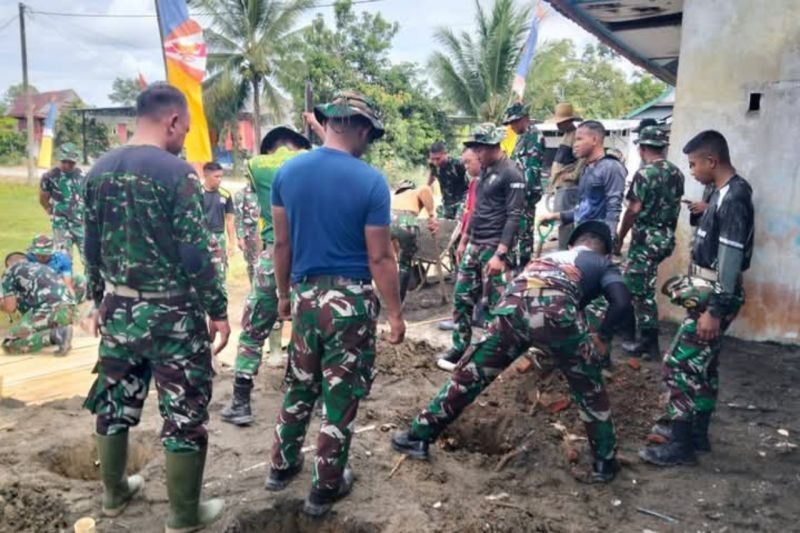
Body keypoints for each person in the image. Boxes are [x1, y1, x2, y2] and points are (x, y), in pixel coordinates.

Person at [82, 84, 230, 531]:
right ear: (171, 121)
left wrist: (97, 301)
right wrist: (218, 309)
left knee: (114, 402)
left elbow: (90, 249)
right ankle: (183, 515)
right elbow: (194, 254)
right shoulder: (177, 173)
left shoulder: (97, 171)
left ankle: (113, 494)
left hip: (119, 310)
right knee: (183, 412)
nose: (184, 136)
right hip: (173, 317)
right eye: (184, 127)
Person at [392, 221, 633, 483]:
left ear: (573, 244)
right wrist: (603, 338)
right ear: (605, 252)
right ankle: (605, 463)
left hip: (512, 306)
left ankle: (417, 437)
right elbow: (621, 302)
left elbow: (528, 299)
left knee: (471, 374)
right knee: (589, 388)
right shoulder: (603, 264)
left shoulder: (551, 257)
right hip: (557, 311)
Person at [265, 91, 405, 517]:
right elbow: (380, 257)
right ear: (361, 129)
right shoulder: (370, 181)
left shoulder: (287, 173)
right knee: (339, 393)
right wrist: (396, 313)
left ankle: (281, 466)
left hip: (306, 297)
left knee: (300, 384)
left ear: (327, 122)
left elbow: (282, 244)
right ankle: (325, 487)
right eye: (370, 135)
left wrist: (284, 296)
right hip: (350, 301)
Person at [640, 130, 753, 467]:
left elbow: (731, 259)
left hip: (714, 297)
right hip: (707, 293)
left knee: (678, 364)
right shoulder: (719, 193)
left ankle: (681, 444)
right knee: (704, 366)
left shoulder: (734, 196)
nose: (691, 171)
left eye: (693, 164)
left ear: (711, 161)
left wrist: (714, 311)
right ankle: (698, 433)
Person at [221, 125, 312, 426]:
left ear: (270, 147)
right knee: (306, 330)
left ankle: (240, 402)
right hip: (311, 260)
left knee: (253, 329)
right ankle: (297, 392)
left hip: (273, 257)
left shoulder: (258, 165)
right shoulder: (313, 163)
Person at [437, 123, 525, 372]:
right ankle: (460, 346)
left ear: (491, 146)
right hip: (475, 244)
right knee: (462, 297)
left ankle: (492, 354)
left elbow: (514, 216)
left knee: (495, 305)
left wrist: (500, 254)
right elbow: (477, 209)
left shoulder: (512, 174)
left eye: (478, 148)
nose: (474, 154)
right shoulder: (483, 173)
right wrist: (465, 239)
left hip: (494, 248)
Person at [614, 126, 684, 359]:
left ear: (643, 148)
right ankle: (645, 341)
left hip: (645, 241)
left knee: (640, 292)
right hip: (665, 238)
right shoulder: (677, 173)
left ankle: (648, 344)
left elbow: (634, 209)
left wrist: (621, 236)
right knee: (642, 287)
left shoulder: (645, 174)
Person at [539, 120, 626, 242]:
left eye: (579, 139)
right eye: (575, 140)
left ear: (594, 140)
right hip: (582, 236)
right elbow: (583, 211)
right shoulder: (587, 169)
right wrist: (555, 216)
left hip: (597, 239)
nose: (575, 144)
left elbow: (614, 208)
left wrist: (608, 241)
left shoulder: (610, 167)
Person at [438, 146, 481, 333]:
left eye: (468, 162)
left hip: (484, 241)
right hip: (471, 238)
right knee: (469, 281)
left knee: (474, 281)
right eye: (464, 162)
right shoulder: (475, 183)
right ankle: (464, 318)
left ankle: (468, 319)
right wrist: (463, 239)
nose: (465, 166)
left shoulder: (491, 181)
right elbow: (469, 213)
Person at [1, 252, 75, 355]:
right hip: (69, 312)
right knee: (30, 327)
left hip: (50, 311)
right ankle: (59, 332)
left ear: (8, 265)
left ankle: (55, 335)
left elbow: (10, 308)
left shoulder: (9, 272)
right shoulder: (44, 267)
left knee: (9, 343)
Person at [502, 102, 545, 269]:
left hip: (524, 196)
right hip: (515, 194)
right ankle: (514, 268)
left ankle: (523, 269)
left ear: (525, 118)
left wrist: (520, 195)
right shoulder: (522, 138)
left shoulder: (534, 136)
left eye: (514, 122)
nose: (511, 126)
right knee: (515, 233)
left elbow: (531, 171)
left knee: (523, 235)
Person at [545, 103, 585, 250]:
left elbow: (582, 159)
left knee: (565, 221)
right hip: (561, 185)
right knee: (561, 221)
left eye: (560, 122)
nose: (558, 125)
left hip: (568, 186)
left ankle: (565, 250)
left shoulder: (575, 135)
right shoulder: (567, 135)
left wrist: (574, 175)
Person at [390, 180, 438, 302]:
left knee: (381, 260)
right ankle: (398, 301)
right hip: (407, 220)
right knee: (404, 265)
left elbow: (394, 242)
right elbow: (425, 189)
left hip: (387, 220)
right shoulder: (415, 191)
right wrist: (432, 215)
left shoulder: (395, 199)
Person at [39, 143, 85, 263]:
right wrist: (50, 210)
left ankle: (89, 282)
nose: (68, 165)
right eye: (65, 161)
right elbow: (43, 198)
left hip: (81, 224)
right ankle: (66, 281)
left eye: (71, 162)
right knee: (63, 259)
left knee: (89, 259)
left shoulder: (83, 176)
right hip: (61, 225)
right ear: (60, 159)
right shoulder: (50, 176)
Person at [26, 234, 87, 303]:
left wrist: (72, 301)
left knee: (80, 279)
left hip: (56, 286)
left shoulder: (63, 259)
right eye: (38, 255)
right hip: (36, 288)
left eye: (44, 256)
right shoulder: (28, 258)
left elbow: (68, 285)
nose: (40, 258)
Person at [201, 161, 236, 280]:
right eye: (216, 176)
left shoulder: (225, 195)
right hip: (201, 237)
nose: (220, 179)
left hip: (219, 237)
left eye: (221, 176)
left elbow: (230, 219)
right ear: (206, 176)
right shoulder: (197, 194)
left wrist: (232, 242)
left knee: (220, 274)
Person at [427, 141, 469, 220]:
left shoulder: (457, 164)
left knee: (458, 224)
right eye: (432, 159)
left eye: (438, 159)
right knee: (443, 226)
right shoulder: (433, 166)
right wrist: (426, 187)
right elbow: (431, 177)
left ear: (445, 154)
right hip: (447, 202)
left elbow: (471, 179)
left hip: (461, 201)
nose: (435, 162)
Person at [233, 180, 261, 284]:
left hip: (265, 233)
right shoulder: (241, 195)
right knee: (253, 264)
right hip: (250, 235)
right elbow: (238, 218)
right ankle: (254, 288)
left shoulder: (264, 191)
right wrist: (240, 238)